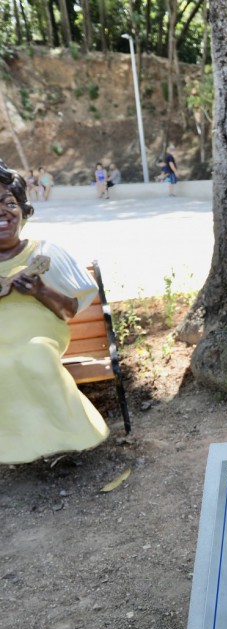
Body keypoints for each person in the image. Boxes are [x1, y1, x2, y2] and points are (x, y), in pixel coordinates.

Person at [0, 160, 109, 464]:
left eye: (8, 202)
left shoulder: (43, 252)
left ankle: (68, 440)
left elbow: (70, 310)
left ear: (22, 208)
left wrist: (40, 290)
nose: (2, 212)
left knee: (34, 356)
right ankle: (15, 447)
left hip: (39, 334)